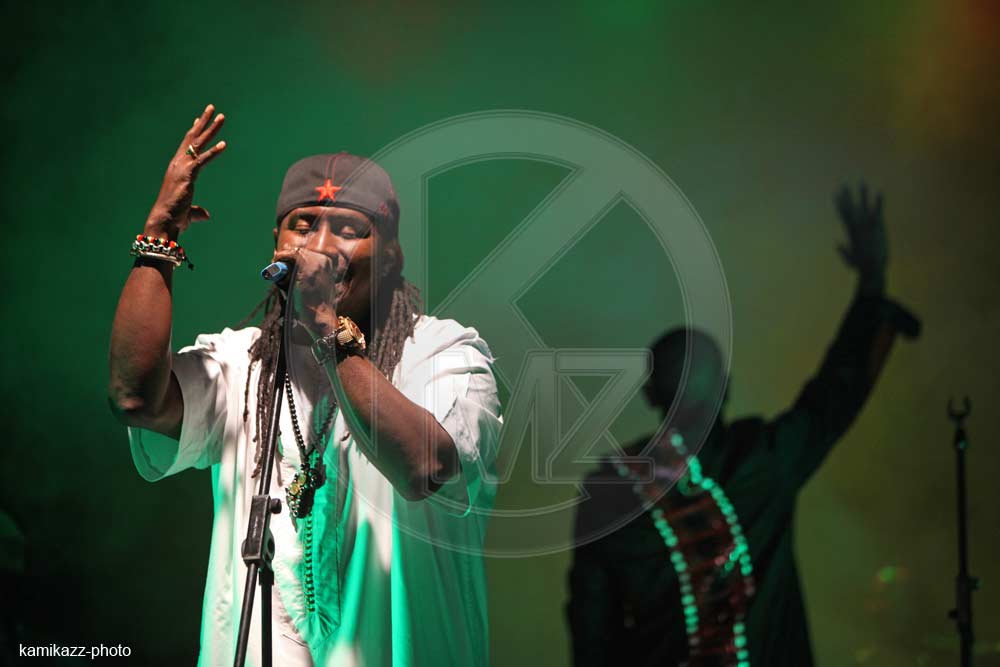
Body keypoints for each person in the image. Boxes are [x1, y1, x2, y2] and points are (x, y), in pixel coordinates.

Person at [109, 104, 502, 666]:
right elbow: (135, 398)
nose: (321, 245)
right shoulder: (244, 362)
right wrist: (159, 236)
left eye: (349, 229)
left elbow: (424, 467)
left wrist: (324, 327)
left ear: (391, 255)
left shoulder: (443, 353)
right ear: (276, 244)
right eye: (303, 225)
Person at [566, 184, 920, 666]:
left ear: (649, 394)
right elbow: (837, 391)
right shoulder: (765, 460)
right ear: (726, 387)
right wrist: (872, 281)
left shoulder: (609, 488)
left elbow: (591, 631)